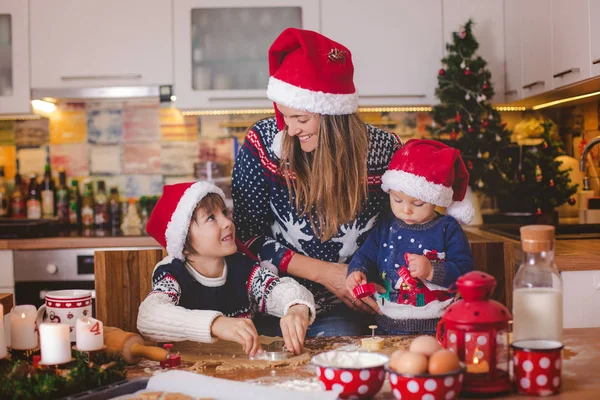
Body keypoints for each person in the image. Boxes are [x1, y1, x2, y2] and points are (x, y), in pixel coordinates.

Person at [232, 28, 401, 336]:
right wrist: (327, 274)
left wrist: (368, 280)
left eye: (302, 119)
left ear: (333, 115)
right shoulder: (264, 142)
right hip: (277, 301)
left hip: (348, 309)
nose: (291, 130)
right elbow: (246, 237)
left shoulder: (385, 150)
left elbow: (397, 232)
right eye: (285, 117)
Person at [137, 181, 315, 356]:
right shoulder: (172, 274)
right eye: (211, 218)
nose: (228, 222)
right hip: (186, 372)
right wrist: (215, 324)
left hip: (238, 371)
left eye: (224, 213)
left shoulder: (242, 268)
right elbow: (148, 316)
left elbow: (280, 290)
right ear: (183, 242)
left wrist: (297, 307)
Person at [345, 139, 475, 334]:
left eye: (418, 204)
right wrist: (356, 271)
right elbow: (366, 255)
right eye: (397, 200)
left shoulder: (447, 228)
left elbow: (465, 271)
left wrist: (432, 270)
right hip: (387, 326)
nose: (406, 209)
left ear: (434, 199)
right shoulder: (386, 225)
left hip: (438, 327)